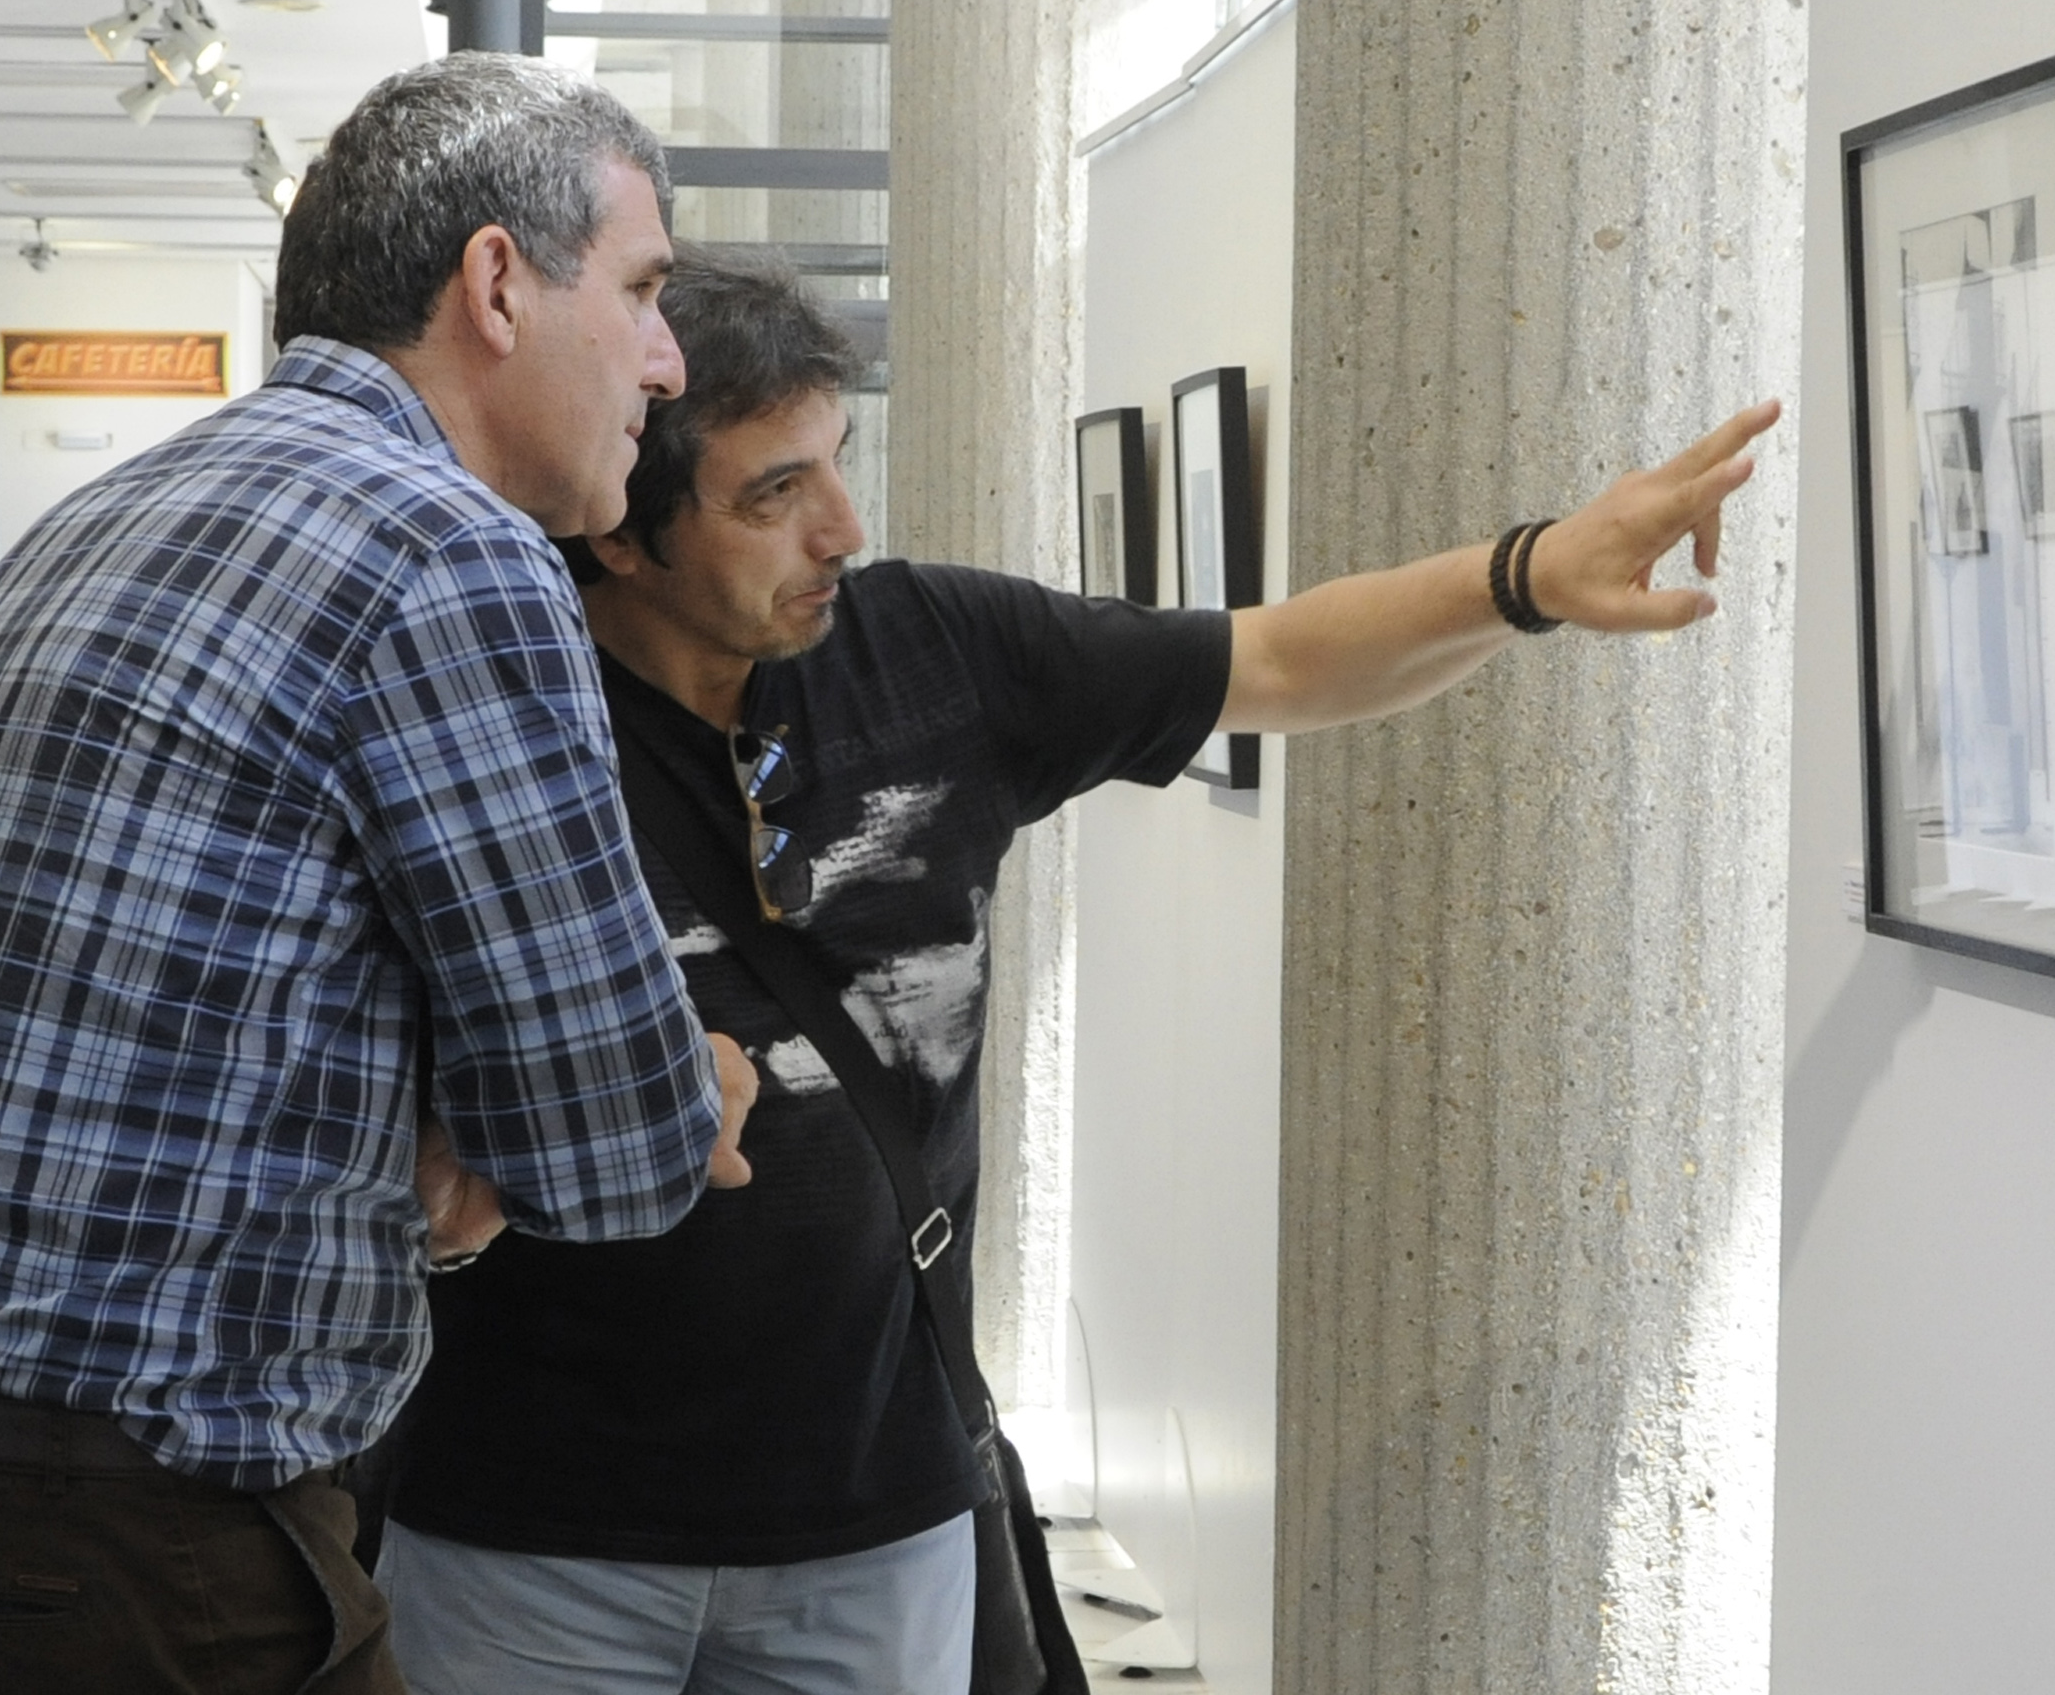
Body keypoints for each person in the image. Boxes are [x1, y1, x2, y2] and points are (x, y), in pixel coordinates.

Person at [374, 246, 1780, 1693]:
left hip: (876, 1524)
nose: (843, 527)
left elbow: (1282, 663)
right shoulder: (489, 707)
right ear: (622, 528)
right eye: (773, 494)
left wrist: (1530, 576)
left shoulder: (932, 651)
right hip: (527, 1532)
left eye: (838, 462)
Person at [0, 53, 756, 1695]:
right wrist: (681, 1085)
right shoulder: (446, 549)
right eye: (642, 291)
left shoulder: (101, 513)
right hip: (99, 1545)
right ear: (498, 282)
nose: (667, 359)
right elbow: (612, 1144)